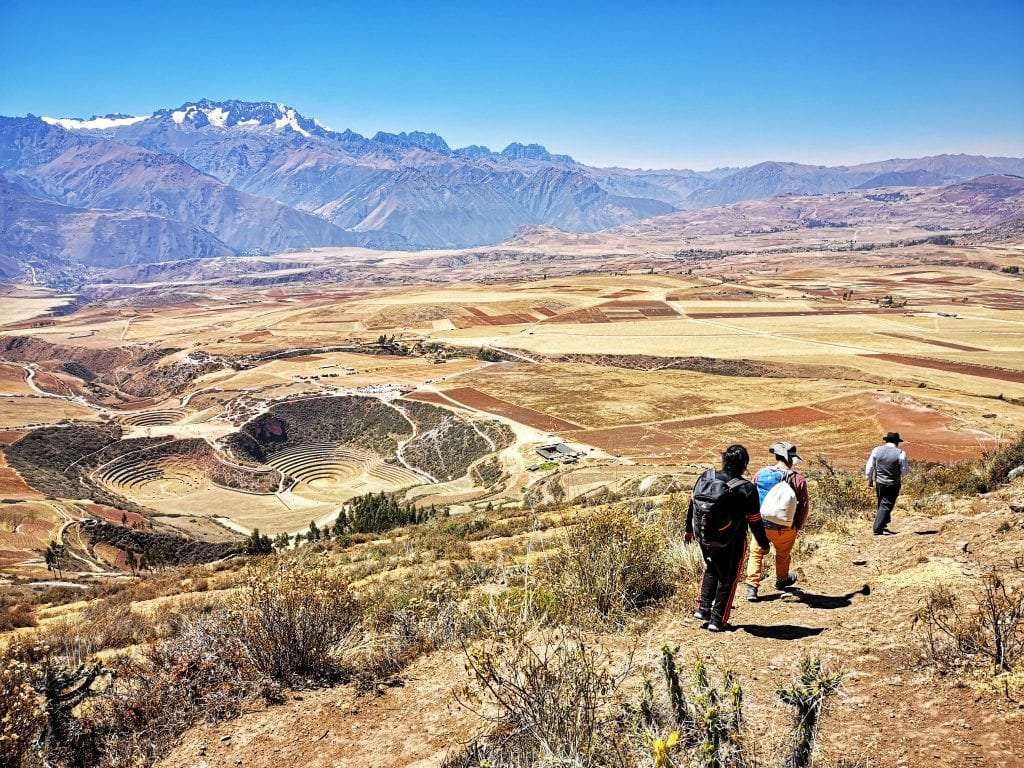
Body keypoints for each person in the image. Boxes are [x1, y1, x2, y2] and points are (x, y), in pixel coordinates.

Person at [685, 444, 770, 632]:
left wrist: (689, 531)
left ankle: (703, 609)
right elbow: (755, 521)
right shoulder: (746, 488)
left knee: (711, 567)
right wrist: (763, 543)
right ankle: (718, 620)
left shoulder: (706, 477)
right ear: (744, 464)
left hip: (704, 535)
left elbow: (693, 505)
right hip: (731, 540)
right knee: (728, 577)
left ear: (724, 460)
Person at [744, 441, 810, 602]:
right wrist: (797, 526)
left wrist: (750, 520)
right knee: (782, 555)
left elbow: (751, 496)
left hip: (761, 525)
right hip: (785, 527)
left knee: (756, 553)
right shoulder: (798, 479)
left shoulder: (761, 473)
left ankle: (752, 587)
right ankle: (781, 581)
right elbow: (804, 506)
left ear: (777, 456)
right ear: (791, 458)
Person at [865, 432, 909, 535]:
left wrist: (869, 479)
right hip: (893, 483)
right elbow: (904, 471)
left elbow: (870, 467)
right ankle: (877, 528)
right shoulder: (900, 453)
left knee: (882, 503)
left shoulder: (876, 450)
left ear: (886, 441)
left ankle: (884, 524)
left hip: (879, 482)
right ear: (896, 442)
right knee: (886, 504)